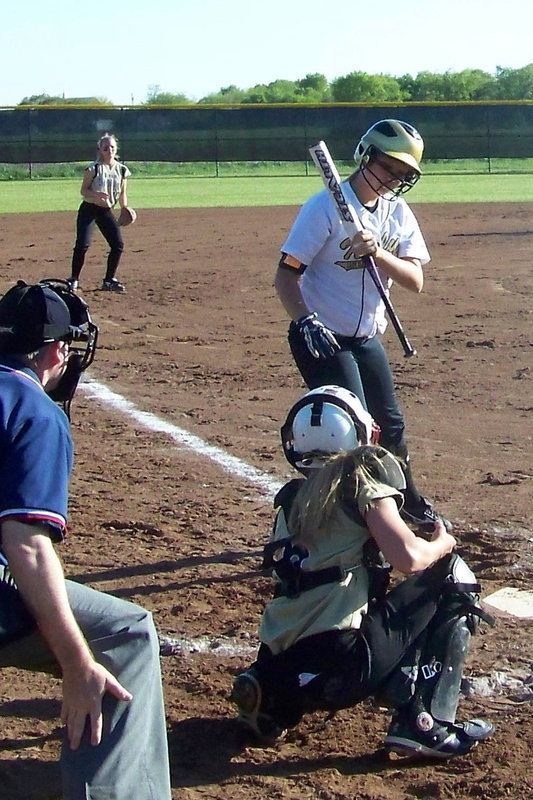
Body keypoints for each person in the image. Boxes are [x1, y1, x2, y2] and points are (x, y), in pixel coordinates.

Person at [230, 385, 494, 759]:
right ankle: (423, 722)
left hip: (278, 661)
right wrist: (442, 543)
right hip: (343, 666)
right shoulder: (361, 484)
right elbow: (409, 558)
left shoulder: (290, 501)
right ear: (357, 434)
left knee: (326, 589)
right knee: (451, 575)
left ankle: (272, 703)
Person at [0, 279, 172, 799]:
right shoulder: (34, 411)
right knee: (126, 635)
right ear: (56, 349)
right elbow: (25, 544)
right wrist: (77, 663)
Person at [275, 118, 448, 530]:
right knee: (353, 429)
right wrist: (304, 320)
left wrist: (380, 253)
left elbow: (416, 280)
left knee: (391, 425)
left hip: (366, 336)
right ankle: (342, 517)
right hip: (322, 334)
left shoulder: (397, 213)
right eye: (389, 166)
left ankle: (407, 500)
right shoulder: (323, 209)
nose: (393, 178)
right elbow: (286, 275)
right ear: (366, 155)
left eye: (403, 174)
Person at [68, 132, 130, 293]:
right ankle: (73, 279)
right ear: (99, 150)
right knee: (82, 244)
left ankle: (109, 280)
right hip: (89, 209)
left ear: (116, 149)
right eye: (105, 148)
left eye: (112, 147)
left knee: (117, 245)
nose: (109, 150)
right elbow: (84, 191)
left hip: (106, 210)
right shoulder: (93, 168)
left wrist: (125, 207)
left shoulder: (122, 170)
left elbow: (122, 192)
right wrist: (96, 194)